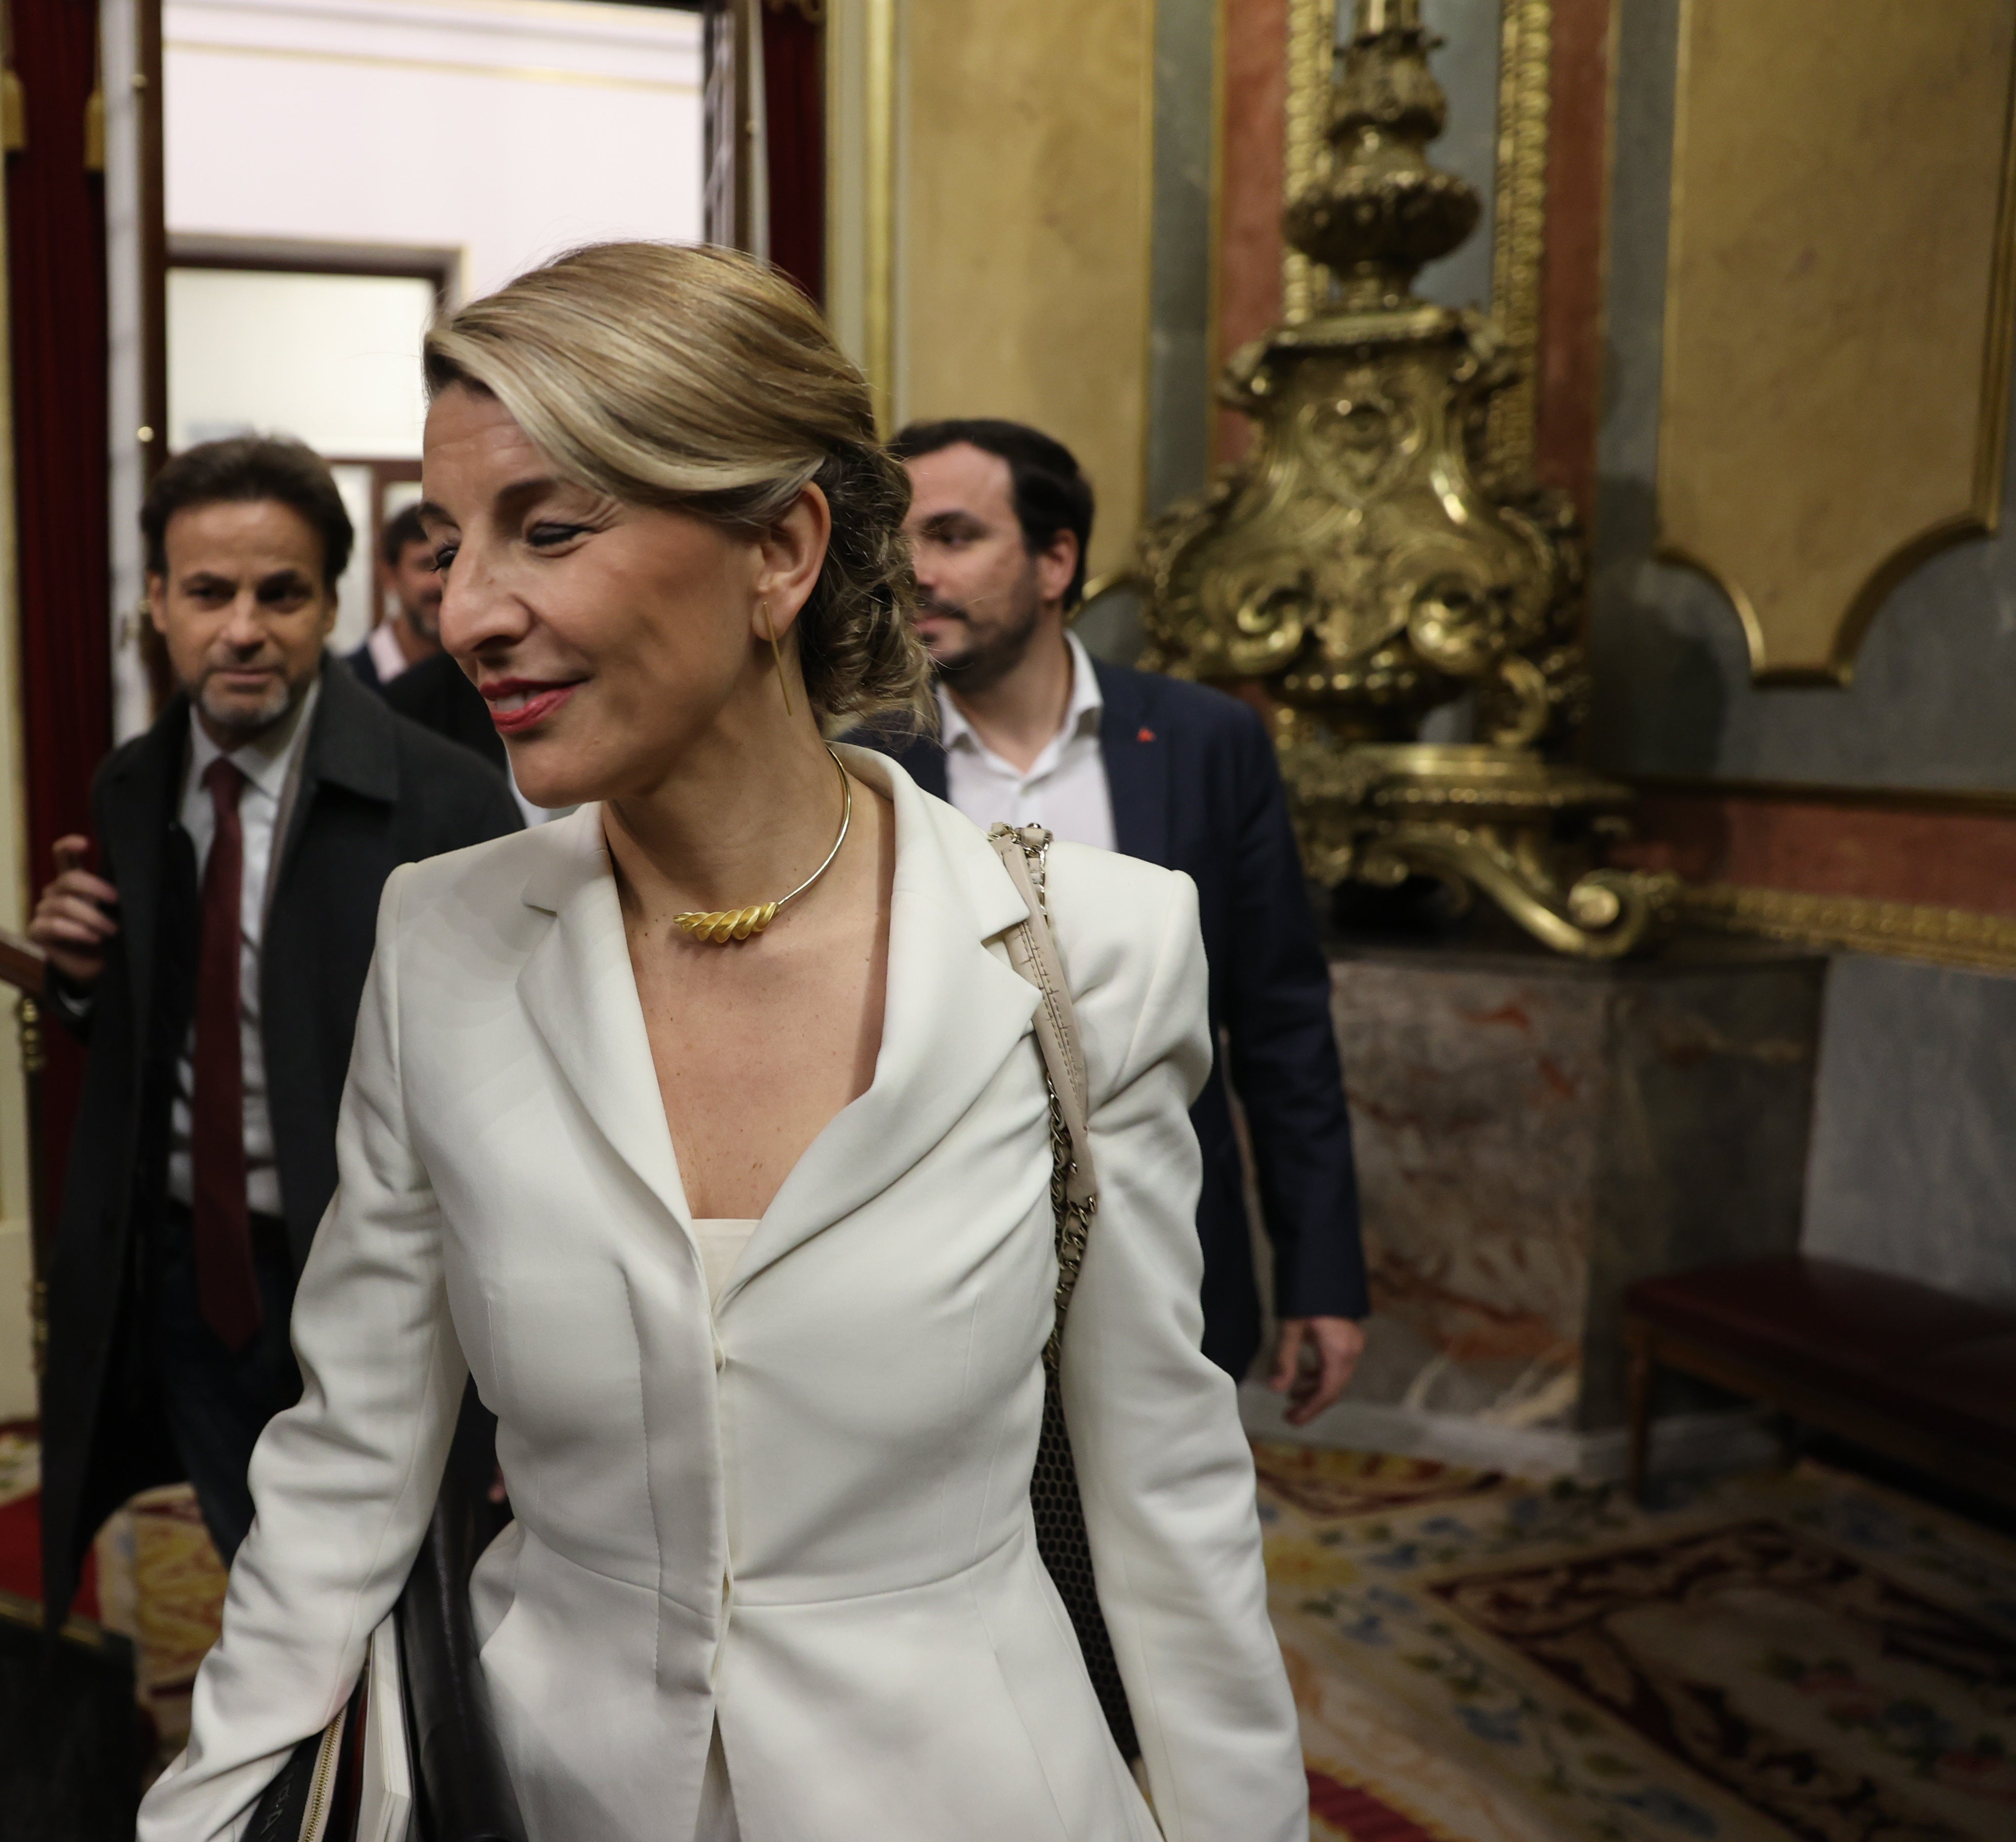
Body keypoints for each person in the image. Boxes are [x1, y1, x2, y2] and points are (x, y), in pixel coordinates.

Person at [140, 245, 1303, 1842]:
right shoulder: (445, 939)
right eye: (452, 543)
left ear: (780, 550)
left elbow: (1168, 1492)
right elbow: (350, 1464)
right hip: (552, 1791)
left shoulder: (1091, 952)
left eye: (548, 530)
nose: (466, 612)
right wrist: (209, 1811)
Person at [28, 436, 520, 1606]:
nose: (242, 630)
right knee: (255, 1569)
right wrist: (83, 977)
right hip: (188, 1277)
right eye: (208, 593)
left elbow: (514, 1084)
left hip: (374, 1285)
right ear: (157, 603)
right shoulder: (131, 785)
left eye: (280, 595)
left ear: (329, 605)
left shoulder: (447, 799)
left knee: (397, 1597)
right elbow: (164, 1028)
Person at [859, 417, 1370, 1421]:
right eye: (897, 543)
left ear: (1056, 561)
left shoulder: (1204, 742)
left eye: (953, 536)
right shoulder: (864, 762)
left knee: (1166, 1513)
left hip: (1168, 1246)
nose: (913, 572)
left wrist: (1321, 1274)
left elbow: (1280, 1021)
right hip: (940, 1264)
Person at [345, 502, 447, 687]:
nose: (440, 583)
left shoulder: (478, 679)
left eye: (449, 563)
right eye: (426, 565)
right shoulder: (347, 683)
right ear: (390, 576)